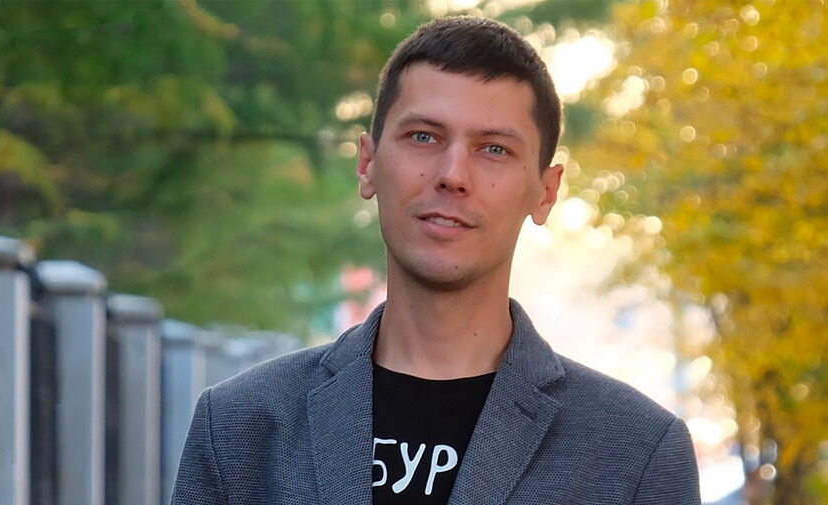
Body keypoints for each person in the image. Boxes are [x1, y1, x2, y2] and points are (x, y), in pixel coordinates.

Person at [171, 16, 700, 505]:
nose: (452, 175)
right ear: (368, 163)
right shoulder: (240, 429)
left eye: (494, 149)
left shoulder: (636, 455)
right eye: (423, 137)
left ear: (545, 191)